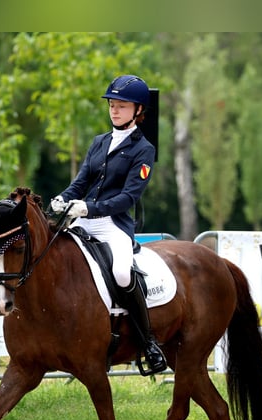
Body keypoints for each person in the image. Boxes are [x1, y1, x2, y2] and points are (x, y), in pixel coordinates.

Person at [50, 74, 167, 374]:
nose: (114, 111)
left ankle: (149, 342)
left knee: (121, 273)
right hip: (84, 219)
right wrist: (62, 198)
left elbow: (128, 197)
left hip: (113, 224)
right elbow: (80, 182)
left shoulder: (144, 150)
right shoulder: (99, 142)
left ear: (138, 110)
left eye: (122, 106)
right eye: (112, 105)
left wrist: (89, 208)